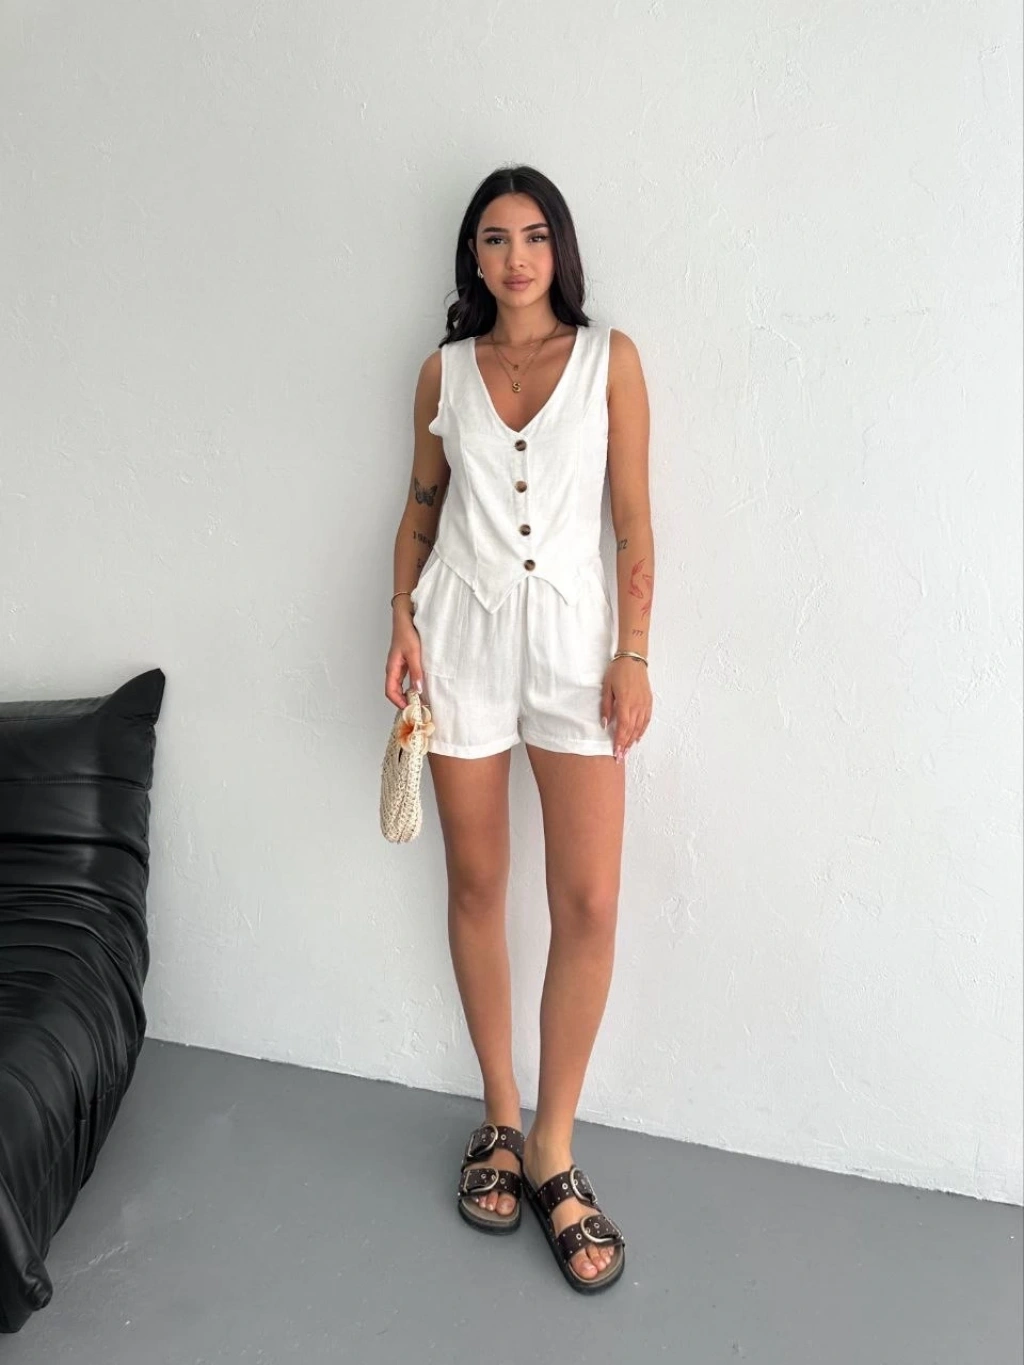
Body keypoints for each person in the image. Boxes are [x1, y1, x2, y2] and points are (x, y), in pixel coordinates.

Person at [384, 165, 653, 1294]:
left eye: (535, 235)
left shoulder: (609, 360)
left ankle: (553, 1145)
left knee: (588, 901)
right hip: (459, 642)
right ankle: (499, 1117)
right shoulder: (442, 371)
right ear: (474, 257)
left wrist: (635, 652)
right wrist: (399, 620)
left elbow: (632, 519)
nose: (516, 257)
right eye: (494, 239)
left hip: (576, 654)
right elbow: (421, 508)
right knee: (477, 885)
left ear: (560, 248)